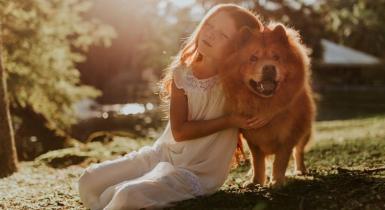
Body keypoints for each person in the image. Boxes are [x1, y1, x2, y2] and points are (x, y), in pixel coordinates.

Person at [78, 3, 266, 210]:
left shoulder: (238, 81)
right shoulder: (182, 73)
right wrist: (229, 121)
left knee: (128, 195)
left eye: (223, 35)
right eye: (210, 25)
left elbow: (273, 93)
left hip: (197, 171)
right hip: (163, 154)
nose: (211, 34)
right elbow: (180, 132)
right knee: (89, 180)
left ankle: (120, 198)